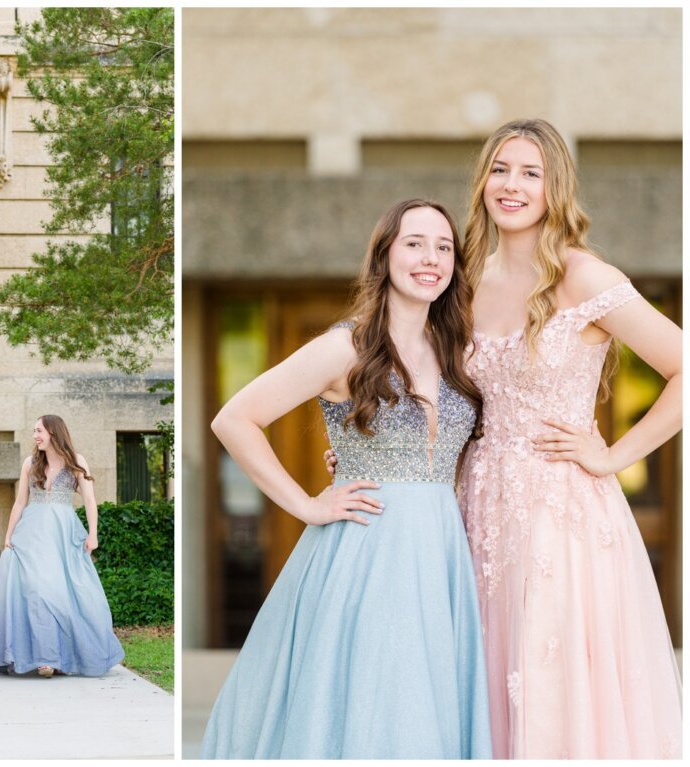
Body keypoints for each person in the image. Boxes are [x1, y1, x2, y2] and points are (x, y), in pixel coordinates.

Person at [201, 200, 491, 759]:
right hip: (368, 552)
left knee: (429, 703)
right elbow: (233, 419)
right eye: (414, 243)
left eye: (443, 246)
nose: (430, 258)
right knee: (375, 702)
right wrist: (306, 505)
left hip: (440, 553)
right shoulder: (346, 346)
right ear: (384, 254)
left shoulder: (455, 350)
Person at [458, 118, 682, 758]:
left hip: (562, 513)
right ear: (482, 182)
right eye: (500, 169)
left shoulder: (586, 277)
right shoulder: (468, 281)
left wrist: (613, 454)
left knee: (554, 683)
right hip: (481, 508)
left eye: (531, 173)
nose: (512, 185)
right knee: (492, 681)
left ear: (555, 188)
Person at [0, 415, 124, 678]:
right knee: (36, 593)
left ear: (54, 433)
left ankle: (62, 654)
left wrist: (93, 534)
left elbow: (89, 500)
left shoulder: (77, 461)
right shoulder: (30, 463)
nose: (35, 435)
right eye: (34, 430)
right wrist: (9, 536)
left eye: (39, 431)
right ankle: (45, 659)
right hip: (31, 534)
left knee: (62, 593)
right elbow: (20, 502)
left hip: (62, 534)